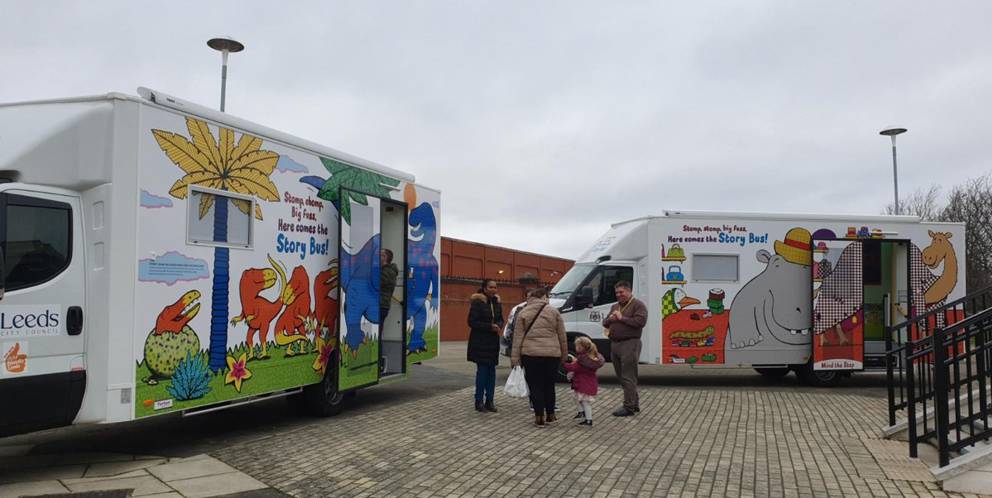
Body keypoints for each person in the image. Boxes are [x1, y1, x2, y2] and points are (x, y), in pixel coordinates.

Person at [511, 287, 568, 428]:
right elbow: (562, 336)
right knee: (549, 385)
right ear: (543, 297)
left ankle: (539, 418)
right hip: (552, 354)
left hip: (530, 355)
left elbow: (517, 338)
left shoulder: (523, 312)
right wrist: (564, 355)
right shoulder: (554, 312)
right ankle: (551, 415)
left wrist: (515, 359)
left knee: (535, 386)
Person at [601, 280, 648, 417]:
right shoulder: (615, 306)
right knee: (622, 376)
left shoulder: (638, 305)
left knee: (628, 376)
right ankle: (634, 403)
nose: (619, 295)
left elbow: (640, 322)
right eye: (617, 292)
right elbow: (605, 323)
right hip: (615, 343)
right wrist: (609, 319)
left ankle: (629, 407)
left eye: (621, 292)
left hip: (630, 343)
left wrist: (622, 318)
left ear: (629, 291)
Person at [467, 279, 504, 412]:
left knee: (492, 372)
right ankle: (479, 401)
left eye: (495, 287)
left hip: (493, 342)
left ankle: (490, 400)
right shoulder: (477, 302)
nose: (494, 290)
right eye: (491, 287)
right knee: (482, 372)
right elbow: (471, 322)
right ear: (484, 288)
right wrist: (489, 327)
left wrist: (499, 325)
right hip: (480, 342)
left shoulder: (497, 302)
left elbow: (501, 319)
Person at [563, 336, 605, 426]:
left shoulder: (582, 360)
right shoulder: (591, 358)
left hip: (583, 385)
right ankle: (582, 413)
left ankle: (588, 420)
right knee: (578, 399)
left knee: (585, 402)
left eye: (577, 346)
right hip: (588, 384)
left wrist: (563, 363)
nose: (575, 348)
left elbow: (573, 367)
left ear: (581, 347)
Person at [379, 249, 399, 325]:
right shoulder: (386, 270)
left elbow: (376, 284)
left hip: (381, 305)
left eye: (380, 255)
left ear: (385, 257)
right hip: (382, 305)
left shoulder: (387, 272)